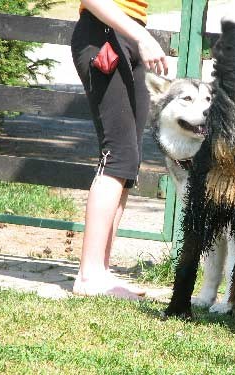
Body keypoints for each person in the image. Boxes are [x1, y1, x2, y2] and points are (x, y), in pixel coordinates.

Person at [71, 0, 168, 299]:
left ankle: (101, 269)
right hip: (103, 33)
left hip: (129, 34)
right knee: (118, 156)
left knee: (128, 162)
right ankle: (88, 275)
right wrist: (141, 38)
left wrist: (138, 37)